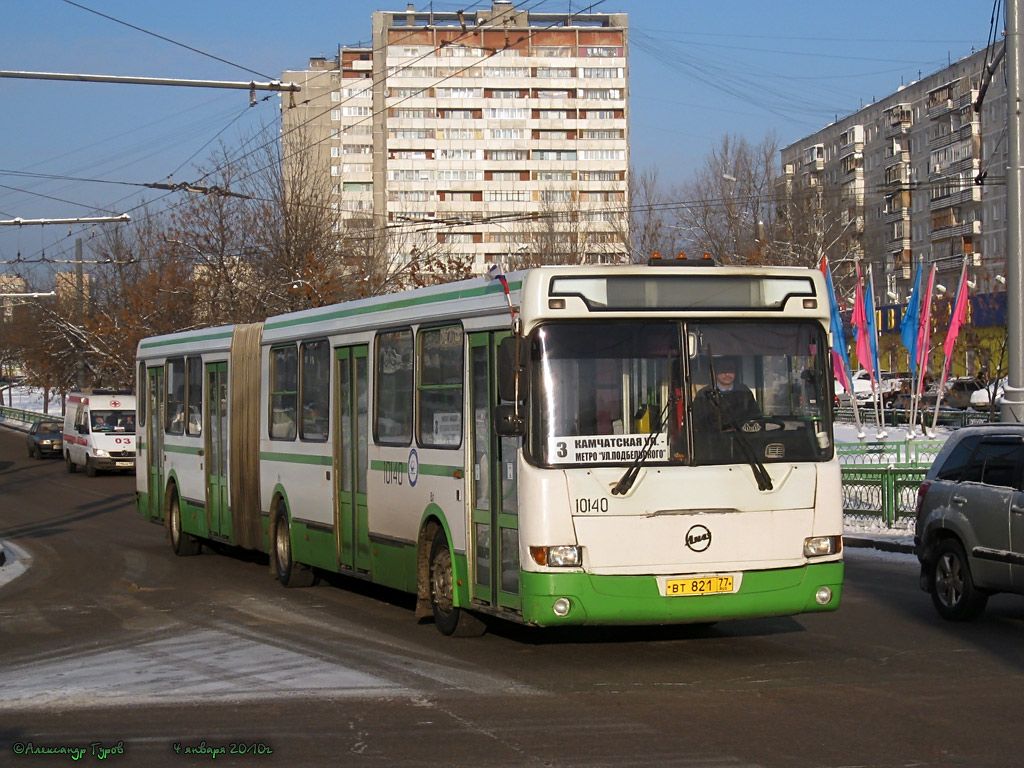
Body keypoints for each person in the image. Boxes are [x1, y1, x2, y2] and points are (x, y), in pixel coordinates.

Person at [692, 356, 760, 431]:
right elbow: (698, 423)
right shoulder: (704, 395)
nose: (727, 374)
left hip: (742, 439)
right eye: (723, 370)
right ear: (715, 371)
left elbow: (755, 416)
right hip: (714, 439)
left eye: (730, 370)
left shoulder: (744, 391)